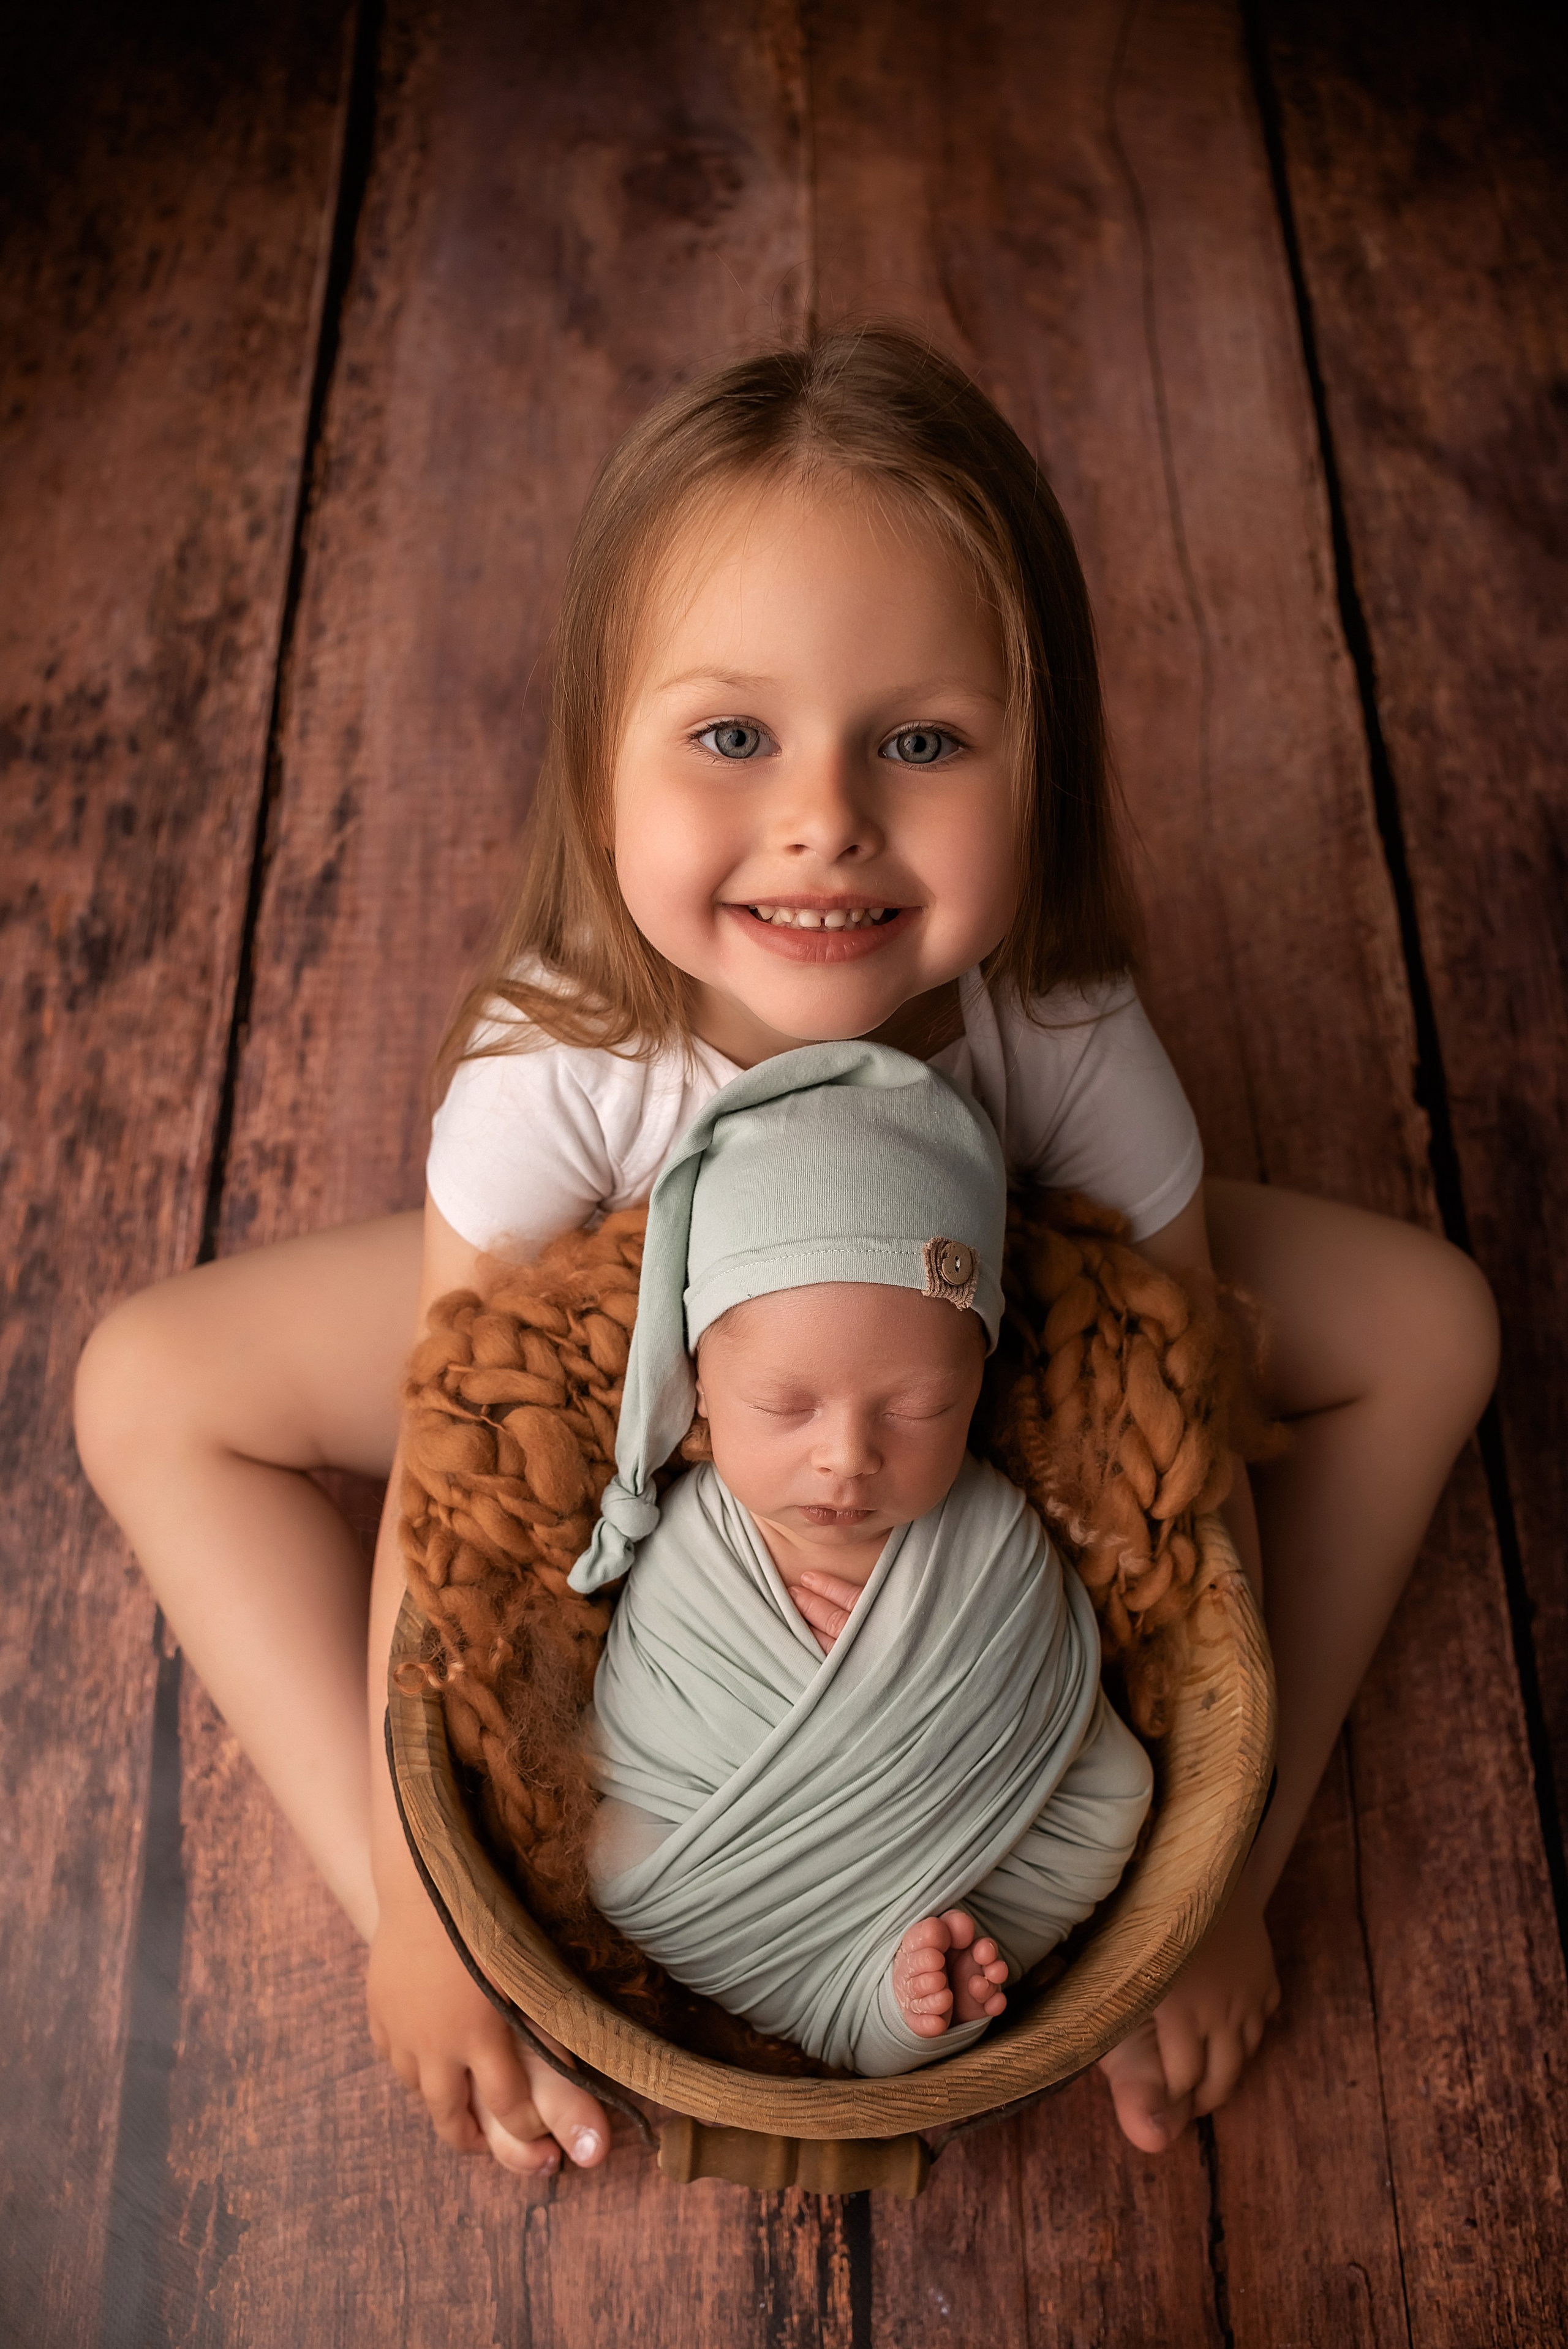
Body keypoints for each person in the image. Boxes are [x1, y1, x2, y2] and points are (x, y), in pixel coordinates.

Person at [74, 327, 1499, 2177]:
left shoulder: (1050, 1025)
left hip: (966, 1349)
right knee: (148, 1383)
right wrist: (421, 1899)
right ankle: (434, 1919)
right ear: (602, 764)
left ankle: (1243, 1839)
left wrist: (1209, 1880)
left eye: (922, 740)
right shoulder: (569, 1052)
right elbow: (457, 1473)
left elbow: (1173, 1438)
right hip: (625, 1354)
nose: (826, 816)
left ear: (1037, 765)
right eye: (732, 734)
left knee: (1436, 1321)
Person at [573, 1041, 1153, 2076]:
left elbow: (1072, 1720)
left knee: (1115, 1797)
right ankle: (872, 1997)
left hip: (963, 1841)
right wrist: (832, 1707)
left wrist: (913, 1693)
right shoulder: (691, 1547)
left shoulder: (993, 1539)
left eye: (917, 1408)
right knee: (616, 1863)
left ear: (977, 1391)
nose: (847, 1456)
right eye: (784, 1407)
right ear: (700, 1384)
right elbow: (633, 1733)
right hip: (727, 1872)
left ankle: (912, 1994)